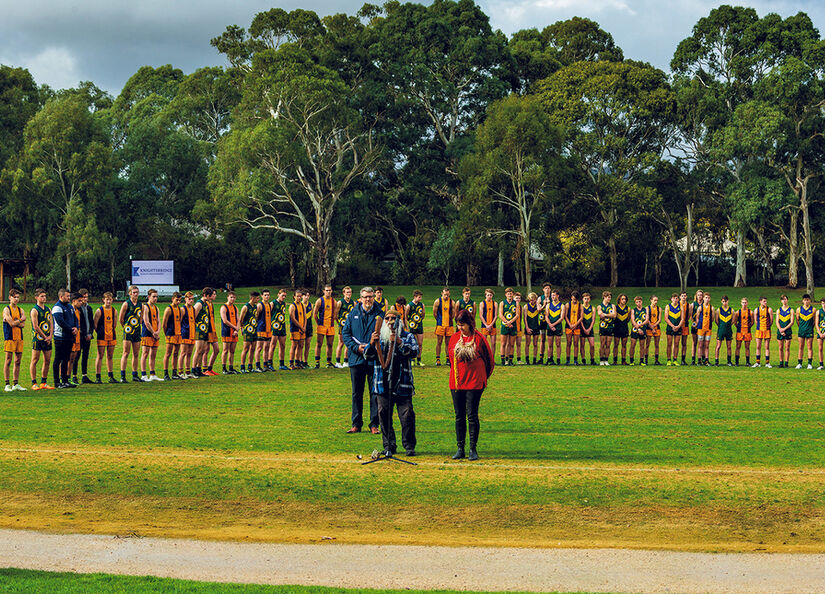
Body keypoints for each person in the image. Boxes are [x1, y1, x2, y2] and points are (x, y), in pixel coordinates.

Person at [447, 309, 494, 461]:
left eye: (463, 325)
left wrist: (482, 377)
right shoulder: (454, 338)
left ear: (470, 323)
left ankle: (473, 448)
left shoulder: (479, 338)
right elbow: (450, 358)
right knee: (459, 416)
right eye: (458, 325)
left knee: (471, 415)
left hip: (474, 383)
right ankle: (460, 447)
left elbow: (489, 361)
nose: (460, 328)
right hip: (457, 383)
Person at [372, 307, 419, 456]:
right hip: (382, 383)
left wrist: (399, 342)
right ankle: (388, 445)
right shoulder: (379, 336)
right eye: (387, 319)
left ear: (399, 321)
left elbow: (414, 351)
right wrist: (371, 344)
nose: (390, 321)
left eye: (393, 318)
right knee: (383, 414)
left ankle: (409, 445)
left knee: (407, 415)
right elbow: (368, 355)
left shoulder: (408, 336)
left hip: (402, 383)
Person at [341, 286, 382, 434]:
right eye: (365, 297)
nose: (368, 299)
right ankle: (356, 423)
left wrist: (371, 347)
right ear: (361, 298)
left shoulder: (380, 314)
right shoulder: (353, 313)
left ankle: (374, 424)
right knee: (356, 393)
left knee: (374, 393)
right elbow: (345, 333)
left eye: (370, 296)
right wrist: (356, 348)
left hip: (373, 360)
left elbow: (383, 335)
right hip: (356, 359)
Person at [51, 288, 77, 389]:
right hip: (60, 337)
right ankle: (57, 382)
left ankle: (65, 380)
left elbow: (75, 319)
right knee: (58, 359)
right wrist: (71, 329)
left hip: (69, 337)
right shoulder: (57, 307)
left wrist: (76, 328)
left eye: (69, 296)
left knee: (66, 359)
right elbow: (60, 322)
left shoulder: (70, 307)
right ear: (61, 297)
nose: (69, 298)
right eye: (67, 296)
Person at [29, 288, 54, 390]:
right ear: (36, 297)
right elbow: (35, 326)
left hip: (47, 338)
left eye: (45, 296)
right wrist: (45, 337)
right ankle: (34, 382)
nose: (44, 298)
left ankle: (44, 381)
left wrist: (50, 336)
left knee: (47, 360)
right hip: (38, 338)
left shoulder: (48, 309)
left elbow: (51, 323)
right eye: (42, 296)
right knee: (35, 360)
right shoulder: (34, 310)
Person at [3, 289, 27, 392]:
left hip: (19, 338)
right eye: (15, 297)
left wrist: (15, 322)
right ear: (10, 297)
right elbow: (12, 324)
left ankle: (16, 383)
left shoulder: (20, 310)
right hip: (9, 337)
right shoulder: (6, 309)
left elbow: (22, 325)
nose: (16, 299)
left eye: (18, 297)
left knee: (18, 361)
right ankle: (7, 384)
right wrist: (21, 320)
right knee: (8, 360)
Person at [93, 291, 120, 383]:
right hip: (102, 336)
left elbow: (115, 324)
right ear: (103, 300)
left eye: (110, 299)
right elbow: (95, 324)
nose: (108, 301)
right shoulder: (99, 310)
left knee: (110, 356)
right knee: (100, 355)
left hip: (112, 336)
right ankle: (98, 377)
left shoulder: (114, 311)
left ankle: (110, 376)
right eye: (107, 299)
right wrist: (100, 332)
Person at [119, 285, 143, 382]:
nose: (136, 294)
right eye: (134, 292)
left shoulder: (141, 305)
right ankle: (122, 376)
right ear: (129, 293)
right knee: (126, 353)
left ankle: (135, 374)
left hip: (137, 331)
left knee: (136, 353)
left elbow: (141, 319)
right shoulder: (126, 304)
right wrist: (126, 328)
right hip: (128, 331)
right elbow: (121, 319)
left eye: (137, 292)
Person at [193, 287, 218, 376]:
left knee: (202, 350)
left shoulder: (206, 304)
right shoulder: (199, 304)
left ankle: (199, 370)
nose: (211, 298)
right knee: (198, 350)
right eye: (210, 296)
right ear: (205, 295)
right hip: (199, 330)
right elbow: (193, 317)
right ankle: (193, 369)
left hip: (205, 330)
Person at [139, 288, 162, 381]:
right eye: (153, 296)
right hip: (147, 333)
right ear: (149, 297)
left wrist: (158, 332)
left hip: (155, 334)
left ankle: (152, 374)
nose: (155, 298)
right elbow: (146, 322)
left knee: (153, 354)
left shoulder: (156, 308)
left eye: (156, 297)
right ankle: (144, 375)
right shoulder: (145, 307)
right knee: (145, 354)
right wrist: (153, 332)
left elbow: (159, 321)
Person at [313, 285, 337, 369]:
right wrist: (318, 323)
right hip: (322, 325)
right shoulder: (320, 301)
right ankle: (317, 362)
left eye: (330, 290)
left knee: (330, 344)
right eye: (327, 290)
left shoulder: (334, 301)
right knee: (319, 344)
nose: (328, 292)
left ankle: (328, 362)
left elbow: (335, 314)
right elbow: (315, 314)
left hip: (330, 326)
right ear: (323, 291)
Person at [161, 291, 183, 380]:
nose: (178, 302)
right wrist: (166, 334)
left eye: (179, 300)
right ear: (172, 299)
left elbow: (180, 321)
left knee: (176, 353)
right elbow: (164, 324)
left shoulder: (180, 309)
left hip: (178, 334)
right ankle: (166, 373)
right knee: (168, 354)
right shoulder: (168, 309)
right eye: (177, 300)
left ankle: (174, 373)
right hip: (170, 334)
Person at [74, 288, 94, 384]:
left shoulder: (89, 308)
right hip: (80, 336)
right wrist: (82, 333)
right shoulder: (77, 308)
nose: (85, 299)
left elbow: (91, 322)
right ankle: (74, 376)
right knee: (76, 356)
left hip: (88, 335)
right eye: (83, 297)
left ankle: (84, 375)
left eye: (86, 297)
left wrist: (90, 333)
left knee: (85, 356)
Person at [433, 287, 455, 366]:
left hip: (449, 325)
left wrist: (449, 320)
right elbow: (435, 313)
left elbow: (453, 314)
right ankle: (438, 359)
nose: (446, 296)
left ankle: (448, 359)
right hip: (440, 325)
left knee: (448, 343)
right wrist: (439, 320)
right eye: (445, 294)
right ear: (442, 293)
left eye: (447, 295)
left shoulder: (452, 302)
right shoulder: (437, 301)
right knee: (439, 342)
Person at [239, 291, 259, 373]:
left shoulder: (255, 306)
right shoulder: (245, 307)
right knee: (246, 348)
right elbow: (241, 319)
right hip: (247, 330)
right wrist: (242, 329)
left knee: (253, 348)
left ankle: (250, 366)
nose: (258, 299)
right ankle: (242, 366)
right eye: (257, 298)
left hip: (254, 330)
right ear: (252, 298)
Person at [335, 286, 355, 368]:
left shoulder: (353, 303)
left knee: (348, 343)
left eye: (350, 292)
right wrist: (339, 323)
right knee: (341, 342)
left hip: (349, 326)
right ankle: (337, 362)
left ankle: (346, 361)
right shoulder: (340, 302)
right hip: (342, 325)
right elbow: (335, 315)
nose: (349, 294)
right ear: (344, 293)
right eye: (347, 292)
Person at [220, 291, 240, 374]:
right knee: (225, 350)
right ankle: (224, 368)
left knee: (232, 351)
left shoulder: (235, 308)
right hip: (227, 331)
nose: (233, 299)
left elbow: (238, 319)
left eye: (234, 297)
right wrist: (235, 327)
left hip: (234, 332)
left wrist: (236, 329)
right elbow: (224, 320)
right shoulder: (224, 307)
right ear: (227, 297)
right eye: (231, 297)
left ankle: (231, 367)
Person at [179, 292, 197, 378]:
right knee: (183, 353)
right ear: (185, 299)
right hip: (185, 333)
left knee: (189, 353)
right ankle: (180, 372)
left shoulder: (193, 309)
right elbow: (179, 322)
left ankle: (188, 371)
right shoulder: (183, 309)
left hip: (192, 333)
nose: (191, 300)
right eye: (189, 299)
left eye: (192, 299)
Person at [270, 289, 289, 370]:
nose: (284, 297)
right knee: (273, 345)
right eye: (282, 295)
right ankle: (269, 363)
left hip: (282, 327)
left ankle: (281, 364)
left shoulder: (284, 304)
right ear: (278, 294)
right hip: (274, 327)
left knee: (283, 345)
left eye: (285, 296)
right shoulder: (272, 303)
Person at [406, 290, 426, 366]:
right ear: (415, 297)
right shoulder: (409, 305)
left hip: (419, 326)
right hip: (412, 327)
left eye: (421, 297)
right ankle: (412, 359)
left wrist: (419, 321)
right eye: (419, 297)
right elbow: (406, 316)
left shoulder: (422, 305)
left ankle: (419, 359)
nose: (420, 299)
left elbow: (423, 315)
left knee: (420, 344)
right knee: (412, 344)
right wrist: (411, 322)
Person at [498, 287, 518, 366]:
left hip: (513, 325)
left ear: (513, 295)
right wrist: (507, 322)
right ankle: (503, 360)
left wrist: (511, 322)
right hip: (505, 325)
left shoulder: (515, 303)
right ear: (506, 295)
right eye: (508, 294)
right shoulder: (502, 303)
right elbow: (500, 314)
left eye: (511, 294)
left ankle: (510, 360)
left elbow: (517, 315)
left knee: (511, 344)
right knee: (503, 343)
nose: (510, 295)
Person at [255, 290, 273, 372]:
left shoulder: (269, 305)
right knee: (259, 348)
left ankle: (266, 365)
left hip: (268, 329)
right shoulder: (259, 305)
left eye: (268, 295)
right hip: (261, 329)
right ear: (262, 296)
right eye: (265, 295)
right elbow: (256, 316)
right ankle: (257, 366)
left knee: (267, 348)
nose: (267, 296)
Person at [544, 290, 563, 365]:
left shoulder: (562, 305)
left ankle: (558, 359)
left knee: (558, 344)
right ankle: (549, 359)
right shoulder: (548, 305)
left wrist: (553, 324)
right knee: (550, 344)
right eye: (552, 295)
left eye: (554, 295)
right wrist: (550, 325)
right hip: (550, 327)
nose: (552, 297)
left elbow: (561, 318)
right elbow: (546, 316)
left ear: (558, 296)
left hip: (558, 327)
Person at [288, 289, 306, 369]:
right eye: (297, 296)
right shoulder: (292, 306)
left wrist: (304, 327)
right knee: (294, 345)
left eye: (300, 296)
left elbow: (305, 317)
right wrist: (301, 327)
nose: (299, 298)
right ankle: (291, 363)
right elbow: (293, 318)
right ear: (294, 297)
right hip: (295, 329)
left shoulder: (302, 305)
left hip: (302, 329)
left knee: (301, 345)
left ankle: (297, 362)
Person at [753, 296, 773, 368]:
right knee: (758, 346)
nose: (765, 302)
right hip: (759, 330)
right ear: (760, 301)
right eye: (764, 301)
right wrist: (759, 326)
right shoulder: (756, 310)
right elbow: (755, 321)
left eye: (766, 301)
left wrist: (767, 326)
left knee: (767, 347)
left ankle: (767, 363)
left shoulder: (769, 309)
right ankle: (758, 362)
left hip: (767, 330)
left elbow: (771, 321)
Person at [477, 289, 497, 361]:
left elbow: (495, 316)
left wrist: (491, 325)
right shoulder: (482, 303)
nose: (489, 296)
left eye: (491, 295)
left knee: (493, 343)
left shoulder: (495, 303)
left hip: (492, 326)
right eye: (488, 295)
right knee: (484, 343)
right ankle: (484, 358)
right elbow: (481, 315)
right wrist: (486, 325)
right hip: (484, 326)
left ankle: (492, 359)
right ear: (485, 295)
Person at [714, 295, 734, 366]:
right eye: (723, 301)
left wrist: (727, 326)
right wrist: (721, 326)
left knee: (729, 346)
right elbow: (716, 321)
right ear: (721, 302)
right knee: (718, 346)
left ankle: (729, 361)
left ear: (728, 301)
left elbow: (733, 321)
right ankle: (716, 361)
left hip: (728, 330)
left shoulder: (731, 310)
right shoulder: (718, 310)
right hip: (721, 331)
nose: (724, 303)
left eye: (725, 301)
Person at [563, 291, 582, 365]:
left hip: (577, 327)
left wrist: (575, 324)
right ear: (571, 297)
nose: (574, 301)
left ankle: (575, 360)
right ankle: (567, 360)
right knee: (569, 343)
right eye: (573, 299)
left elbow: (581, 317)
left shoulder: (580, 305)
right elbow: (565, 316)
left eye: (575, 299)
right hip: (569, 326)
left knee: (576, 343)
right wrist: (570, 324)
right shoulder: (567, 305)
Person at [695, 291, 713, 366]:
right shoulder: (700, 307)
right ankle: (699, 360)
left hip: (708, 329)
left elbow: (712, 318)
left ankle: (706, 360)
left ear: (710, 299)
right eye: (706, 298)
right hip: (701, 328)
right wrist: (699, 324)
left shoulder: (712, 308)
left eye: (708, 298)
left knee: (707, 345)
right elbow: (697, 318)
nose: (707, 299)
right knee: (700, 345)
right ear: (703, 298)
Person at [775, 295, 794, 368]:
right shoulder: (778, 310)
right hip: (780, 331)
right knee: (780, 347)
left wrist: (784, 329)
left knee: (787, 348)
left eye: (785, 299)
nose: (784, 301)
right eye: (783, 300)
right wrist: (780, 329)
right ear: (781, 301)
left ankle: (786, 363)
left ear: (787, 300)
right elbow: (777, 321)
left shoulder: (791, 310)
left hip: (788, 331)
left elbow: (792, 322)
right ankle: (781, 363)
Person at [797, 294, 814, 369]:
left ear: (810, 300)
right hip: (801, 331)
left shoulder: (813, 310)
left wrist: (810, 327)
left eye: (807, 300)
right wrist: (801, 327)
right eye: (805, 300)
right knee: (801, 347)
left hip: (809, 330)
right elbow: (797, 320)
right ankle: (799, 363)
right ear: (802, 301)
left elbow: (814, 321)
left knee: (809, 347)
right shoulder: (799, 309)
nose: (806, 301)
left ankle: (809, 363)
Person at [597, 291, 615, 365]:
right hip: (603, 327)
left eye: (610, 297)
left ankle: (606, 360)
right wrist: (609, 315)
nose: (609, 299)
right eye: (608, 297)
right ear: (604, 297)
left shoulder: (613, 306)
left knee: (608, 345)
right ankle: (601, 360)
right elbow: (600, 314)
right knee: (602, 344)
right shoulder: (599, 306)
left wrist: (605, 315)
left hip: (610, 327)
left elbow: (614, 315)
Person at [734, 298, 753, 367]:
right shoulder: (738, 312)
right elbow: (735, 322)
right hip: (740, 332)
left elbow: (752, 322)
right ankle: (736, 362)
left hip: (747, 331)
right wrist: (739, 327)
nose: (744, 304)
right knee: (738, 346)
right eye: (743, 303)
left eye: (745, 303)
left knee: (747, 347)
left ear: (747, 303)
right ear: (741, 303)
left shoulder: (750, 312)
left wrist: (747, 327)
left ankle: (747, 362)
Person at [665, 293, 683, 366]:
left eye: (676, 298)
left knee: (676, 343)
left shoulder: (680, 307)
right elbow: (666, 318)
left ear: (678, 299)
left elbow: (682, 318)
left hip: (678, 328)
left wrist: (678, 326)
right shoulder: (668, 306)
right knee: (669, 343)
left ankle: (675, 359)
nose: (675, 300)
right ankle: (669, 359)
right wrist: (672, 326)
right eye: (674, 298)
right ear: (671, 299)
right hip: (670, 327)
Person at [524, 292, 542, 365]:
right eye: (530, 300)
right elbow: (524, 318)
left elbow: (540, 310)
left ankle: (534, 359)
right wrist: (527, 328)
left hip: (536, 326)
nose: (532, 301)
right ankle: (527, 359)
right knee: (527, 343)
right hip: (529, 326)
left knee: (535, 344)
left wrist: (538, 303)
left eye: (533, 300)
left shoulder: (538, 306)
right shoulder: (526, 306)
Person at [69, 293, 83, 385]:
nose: (81, 302)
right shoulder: (69, 310)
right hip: (71, 338)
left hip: (77, 338)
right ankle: (65, 378)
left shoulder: (78, 311)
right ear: (74, 301)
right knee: (68, 359)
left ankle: (69, 378)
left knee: (73, 359)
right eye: (79, 301)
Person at [629, 296, 647, 366]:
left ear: (641, 301)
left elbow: (647, 320)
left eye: (639, 301)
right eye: (637, 302)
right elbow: (632, 320)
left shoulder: (645, 310)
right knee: (632, 345)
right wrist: (638, 328)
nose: (638, 303)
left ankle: (641, 361)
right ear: (635, 302)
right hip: (635, 330)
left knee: (642, 346)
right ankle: (631, 360)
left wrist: (641, 326)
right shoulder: (633, 310)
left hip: (643, 330)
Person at [612, 294, 629, 365]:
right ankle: (615, 360)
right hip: (617, 328)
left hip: (624, 328)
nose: (624, 300)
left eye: (625, 299)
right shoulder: (615, 307)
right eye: (622, 299)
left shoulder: (628, 309)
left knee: (624, 345)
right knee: (616, 344)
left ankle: (623, 360)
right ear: (619, 299)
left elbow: (628, 319)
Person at [537, 282, 553, 364]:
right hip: (542, 321)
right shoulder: (540, 298)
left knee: (551, 340)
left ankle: (550, 357)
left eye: (548, 288)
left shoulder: (553, 297)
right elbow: (538, 310)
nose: (547, 290)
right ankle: (541, 357)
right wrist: (544, 304)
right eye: (546, 288)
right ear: (543, 289)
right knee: (542, 339)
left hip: (550, 321)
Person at [580, 292, 596, 365]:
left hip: (590, 329)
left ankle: (592, 359)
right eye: (585, 298)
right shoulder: (580, 307)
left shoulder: (592, 308)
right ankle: (583, 360)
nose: (586, 300)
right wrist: (584, 329)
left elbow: (593, 320)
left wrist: (589, 329)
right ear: (583, 299)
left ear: (590, 299)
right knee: (582, 345)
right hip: (582, 329)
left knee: (592, 345)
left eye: (588, 298)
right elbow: (580, 320)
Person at [689, 289, 704, 365]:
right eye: (698, 295)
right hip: (695, 326)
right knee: (694, 343)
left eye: (701, 295)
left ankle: (703, 359)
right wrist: (694, 322)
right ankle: (693, 359)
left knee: (702, 343)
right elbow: (690, 315)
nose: (699, 296)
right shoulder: (693, 304)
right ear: (696, 296)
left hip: (703, 326)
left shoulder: (705, 304)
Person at [645, 295, 661, 365]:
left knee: (657, 345)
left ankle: (656, 360)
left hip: (657, 328)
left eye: (657, 300)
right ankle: (646, 360)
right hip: (649, 328)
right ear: (651, 300)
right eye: (654, 300)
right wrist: (651, 327)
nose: (656, 302)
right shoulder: (647, 308)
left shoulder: (659, 309)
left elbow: (659, 320)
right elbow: (647, 319)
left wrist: (654, 327)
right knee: (647, 344)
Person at [301, 290, 314, 368]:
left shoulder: (311, 305)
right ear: (302, 296)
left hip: (309, 327)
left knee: (308, 344)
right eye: (305, 295)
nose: (307, 297)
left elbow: (311, 316)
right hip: (301, 327)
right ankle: (300, 361)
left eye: (308, 295)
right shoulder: (300, 305)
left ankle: (305, 362)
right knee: (301, 345)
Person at [513, 292, 525, 364]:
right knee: (510, 344)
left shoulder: (520, 307)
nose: (518, 299)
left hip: (519, 327)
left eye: (519, 298)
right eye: (516, 298)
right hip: (512, 328)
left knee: (519, 344)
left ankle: (518, 359)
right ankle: (508, 359)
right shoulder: (511, 306)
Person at [816, 297, 825, 370]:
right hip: (820, 332)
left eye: (824, 303)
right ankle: (821, 364)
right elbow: (816, 324)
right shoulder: (819, 312)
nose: (823, 305)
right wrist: (820, 333)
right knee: (820, 348)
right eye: (822, 303)